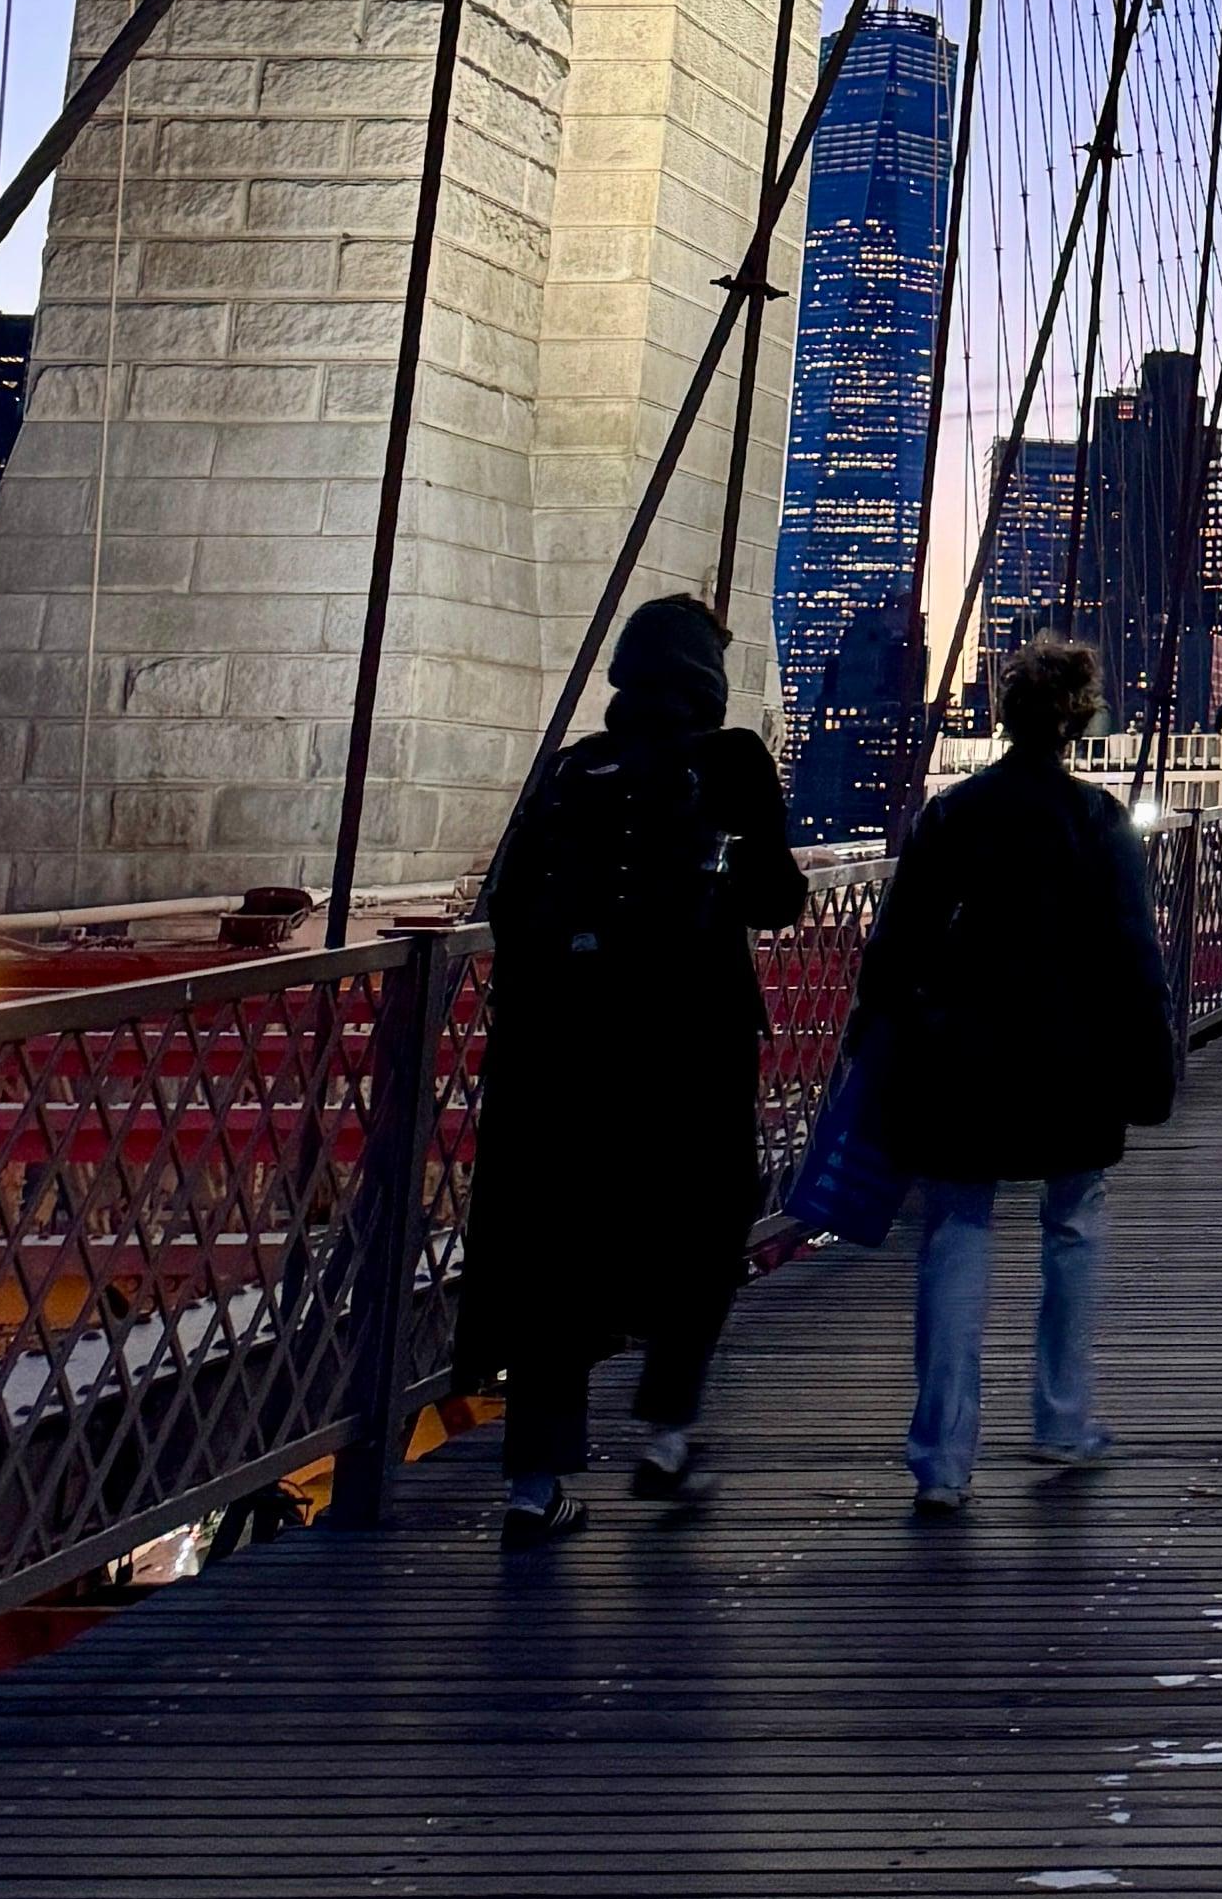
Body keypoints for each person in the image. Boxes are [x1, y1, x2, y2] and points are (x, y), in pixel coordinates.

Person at [462, 595, 804, 1546]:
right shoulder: (731, 761)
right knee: (706, 1223)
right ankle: (664, 1436)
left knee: (556, 1251)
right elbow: (776, 899)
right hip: (691, 1046)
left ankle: (533, 1489)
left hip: (565, 1052)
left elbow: (509, 902)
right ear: (707, 678)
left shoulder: (574, 769)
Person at [852, 632, 1180, 1513]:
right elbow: (1135, 957)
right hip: (1074, 1058)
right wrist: (1153, 1061)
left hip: (961, 1056)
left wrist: (873, 1035)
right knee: (1073, 1221)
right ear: (1079, 721)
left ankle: (941, 1460)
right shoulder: (1097, 821)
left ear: (1007, 715)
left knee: (956, 1229)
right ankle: (1062, 1419)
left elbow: (897, 945)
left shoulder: (952, 814)